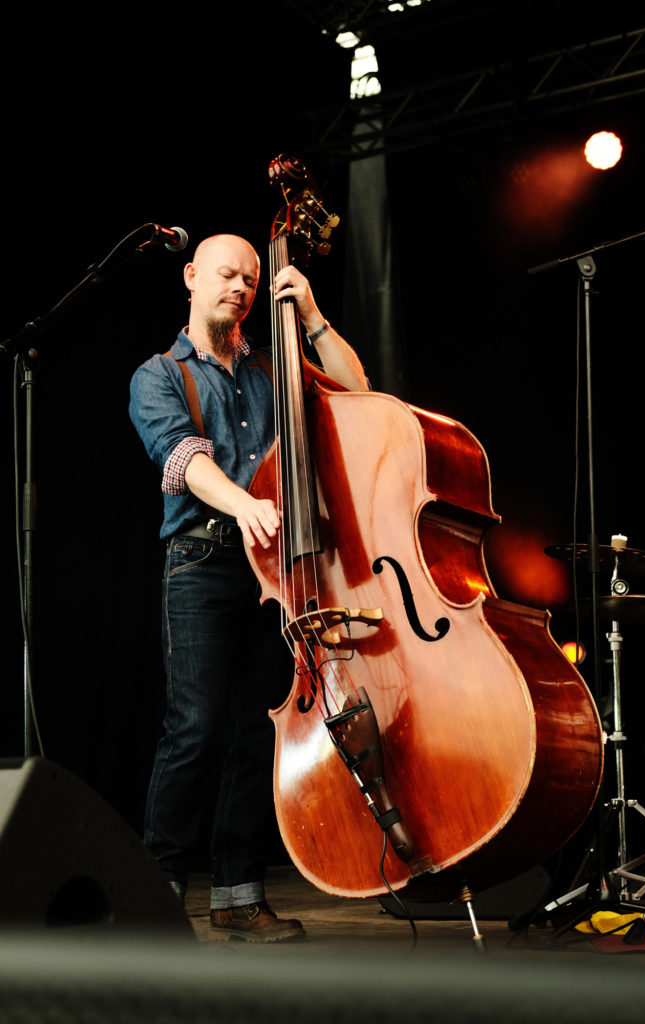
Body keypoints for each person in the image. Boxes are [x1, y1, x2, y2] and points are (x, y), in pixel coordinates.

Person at [129, 233, 368, 942]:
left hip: (278, 571)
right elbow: (183, 460)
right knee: (195, 728)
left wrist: (314, 318)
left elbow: (358, 395)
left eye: (252, 280)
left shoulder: (274, 366)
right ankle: (154, 893)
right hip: (202, 562)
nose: (240, 287)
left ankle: (238, 896)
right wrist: (245, 502)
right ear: (191, 276)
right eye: (227, 274)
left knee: (256, 734)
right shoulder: (159, 374)